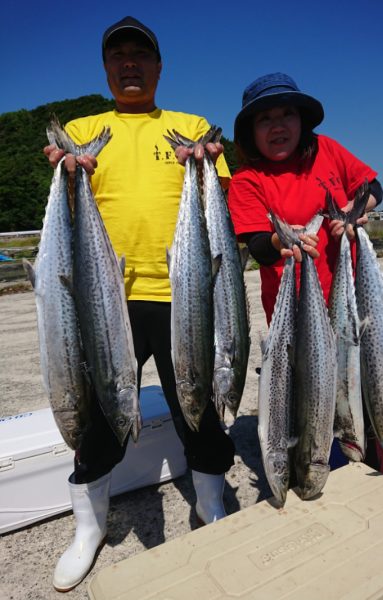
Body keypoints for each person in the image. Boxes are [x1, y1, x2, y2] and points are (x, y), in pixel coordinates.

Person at [44, 16, 234, 592]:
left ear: (157, 66)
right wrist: (68, 171)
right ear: (106, 69)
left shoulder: (189, 124)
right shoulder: (81, 126)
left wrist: (202, 161)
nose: (129, 64)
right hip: (105, 303)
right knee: (98, 416)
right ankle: (89, 528)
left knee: (196, 405)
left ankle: (210, 503)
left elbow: (216, 200)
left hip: (185, 296)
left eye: (140, 55)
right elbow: (69, 217)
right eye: (118, 56)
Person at [227, 72, 383, 325]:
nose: (278, 126)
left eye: (287, 113)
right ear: (251, 131)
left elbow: (373, 188)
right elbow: (258, 247)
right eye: (265, 119)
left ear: (301, 120)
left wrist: (351, 212)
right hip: (293, 313)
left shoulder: (326, 149)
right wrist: (282, 240)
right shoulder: (246, 179)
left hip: (355, 294)